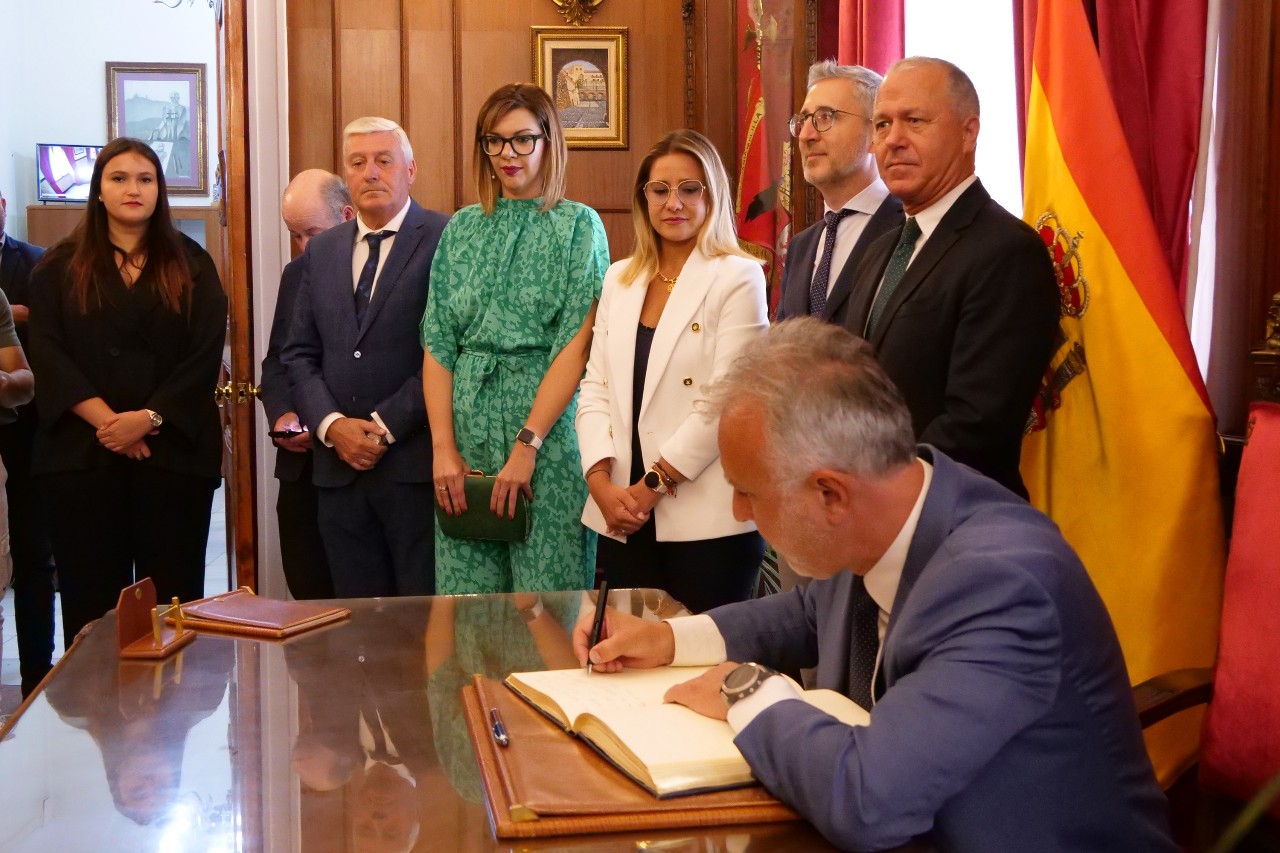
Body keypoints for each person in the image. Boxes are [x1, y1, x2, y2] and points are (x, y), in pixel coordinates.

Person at [576, 318, 1177, 853]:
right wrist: (668, 639)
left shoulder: (1002, 586)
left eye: (749, 493)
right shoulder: (888, 507)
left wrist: (746, 690)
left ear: (830, 494)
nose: (739, 512)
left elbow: (867, 801)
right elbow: (809, 614)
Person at [28, 137, 227, 646]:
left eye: (145, 179)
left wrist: (148, 419)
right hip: (83, 455)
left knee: (173, 604)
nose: (132, 189)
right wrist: (110, 424)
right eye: (118, 178)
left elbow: (204, 354)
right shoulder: (58, 266)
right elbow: (48, 353)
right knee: (92, 606)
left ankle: (174, 697)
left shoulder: (193, 263)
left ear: (160, 190)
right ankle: (96, 697)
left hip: (173, 454)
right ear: (98, 189)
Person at [421, 83, 608, 594]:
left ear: (549, 142)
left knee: (548, 603)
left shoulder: (579, 226)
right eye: (495, 141)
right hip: (466, 433)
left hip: (547, 435)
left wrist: (528, 445)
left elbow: (576, 346)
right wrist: (443, 449)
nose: (508, 154)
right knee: (468, 606)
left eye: (523, 139)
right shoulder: (460, 229)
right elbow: (438, 343)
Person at [843, 56, 1059, 498]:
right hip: (864, 515)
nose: (893, 140)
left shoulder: (1008, 251)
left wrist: (874, 491)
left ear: (968, 132)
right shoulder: (879, 250)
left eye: (914, 121)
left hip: (952, 514)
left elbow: (978, 424)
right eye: (882, 125)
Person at [576, 130, 768, 613]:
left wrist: (651, 488)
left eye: (689, 189)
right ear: (644, 198)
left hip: (707, 521)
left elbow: (726, 401)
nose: (673, 203)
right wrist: (599, 483)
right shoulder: (619, 278)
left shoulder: (739, 275)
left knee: (700, 654)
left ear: (712, 194)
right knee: (624, 653)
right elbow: (595, 387)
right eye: (660, 190)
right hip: (621, 516)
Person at [283, 117, 449, 598]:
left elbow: (449, 350)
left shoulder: (446, 237)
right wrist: (333, 426)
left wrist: (383, 426)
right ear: (346, 175)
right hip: (338, 473)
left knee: (420, 621)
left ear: (410, 170)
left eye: (383, 160)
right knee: (357, 622)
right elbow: (298, 353)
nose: (370, 172)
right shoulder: (322, 250)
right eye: (358, 162)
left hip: (414, 469)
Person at [258, 170, 354, 600]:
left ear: (346, 216)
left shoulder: (391, 268)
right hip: (302, 471)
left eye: (310, 233)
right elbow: (277, 361)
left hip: (357, 461)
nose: (302, 246)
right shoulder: (296, 274)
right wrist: (282, 414)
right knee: (307, 594)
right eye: (294, 235)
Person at [776, 61, 903, 324]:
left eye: (826, 117)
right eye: (803, 120)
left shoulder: (911, 229)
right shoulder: (801, 247)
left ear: (875, 133)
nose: (806, 135)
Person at [0, 186, 55, 695]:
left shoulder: (37, 262)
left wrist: (19, 317)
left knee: (32, 551)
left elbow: (50, 337)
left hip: (26, 426)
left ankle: (36, 676)